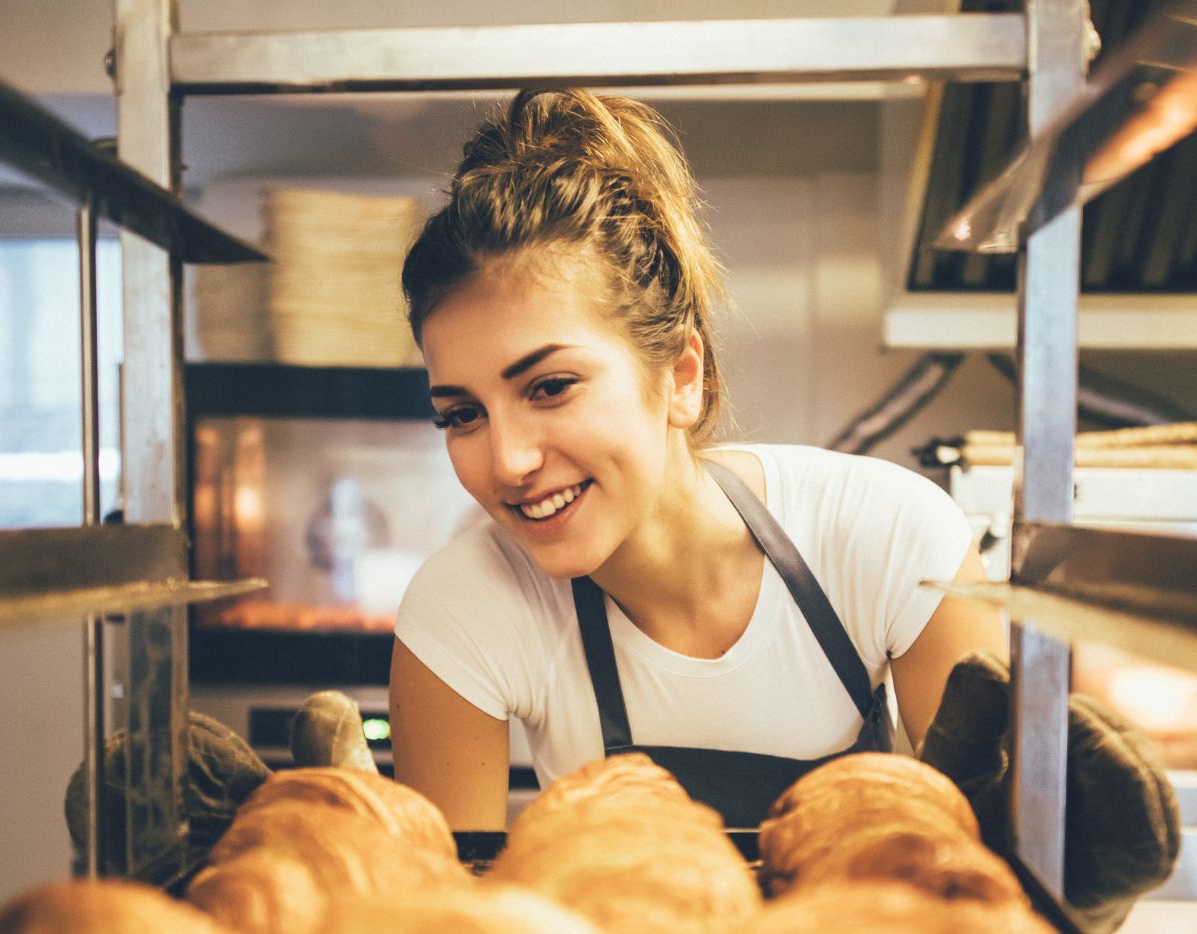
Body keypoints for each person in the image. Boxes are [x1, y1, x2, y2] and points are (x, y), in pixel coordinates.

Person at [390, 89, 1006, 831]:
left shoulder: (887, 537)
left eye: (550, 388)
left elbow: (993, 880)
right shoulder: (464, 607)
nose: (509, 461)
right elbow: (441, 924)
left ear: (681, 377)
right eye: (462, 415)